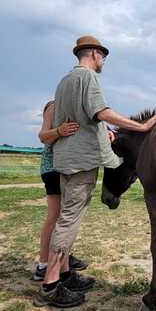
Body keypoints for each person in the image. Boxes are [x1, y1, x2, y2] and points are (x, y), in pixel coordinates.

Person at [34, 35, 156, 308]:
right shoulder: (89, 79)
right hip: (82, 162)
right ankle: (51, 284)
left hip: (66, 158)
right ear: (93, 53)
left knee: (67, 216)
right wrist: (139, 126)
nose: (103, 61)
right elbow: (102, 112)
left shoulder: (64, 82)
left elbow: (74, 121)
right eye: (102, 55)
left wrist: (100, 133)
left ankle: (66, 274)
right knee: (69, 220)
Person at [31, 100, 88, 281]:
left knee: (66, 218)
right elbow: (43, 136)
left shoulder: (75, 108)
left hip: (66, 168)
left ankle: (62, 257)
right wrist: (58, 131)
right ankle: (44, 264)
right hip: (53, 168)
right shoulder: (54, 106)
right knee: (55, 216)